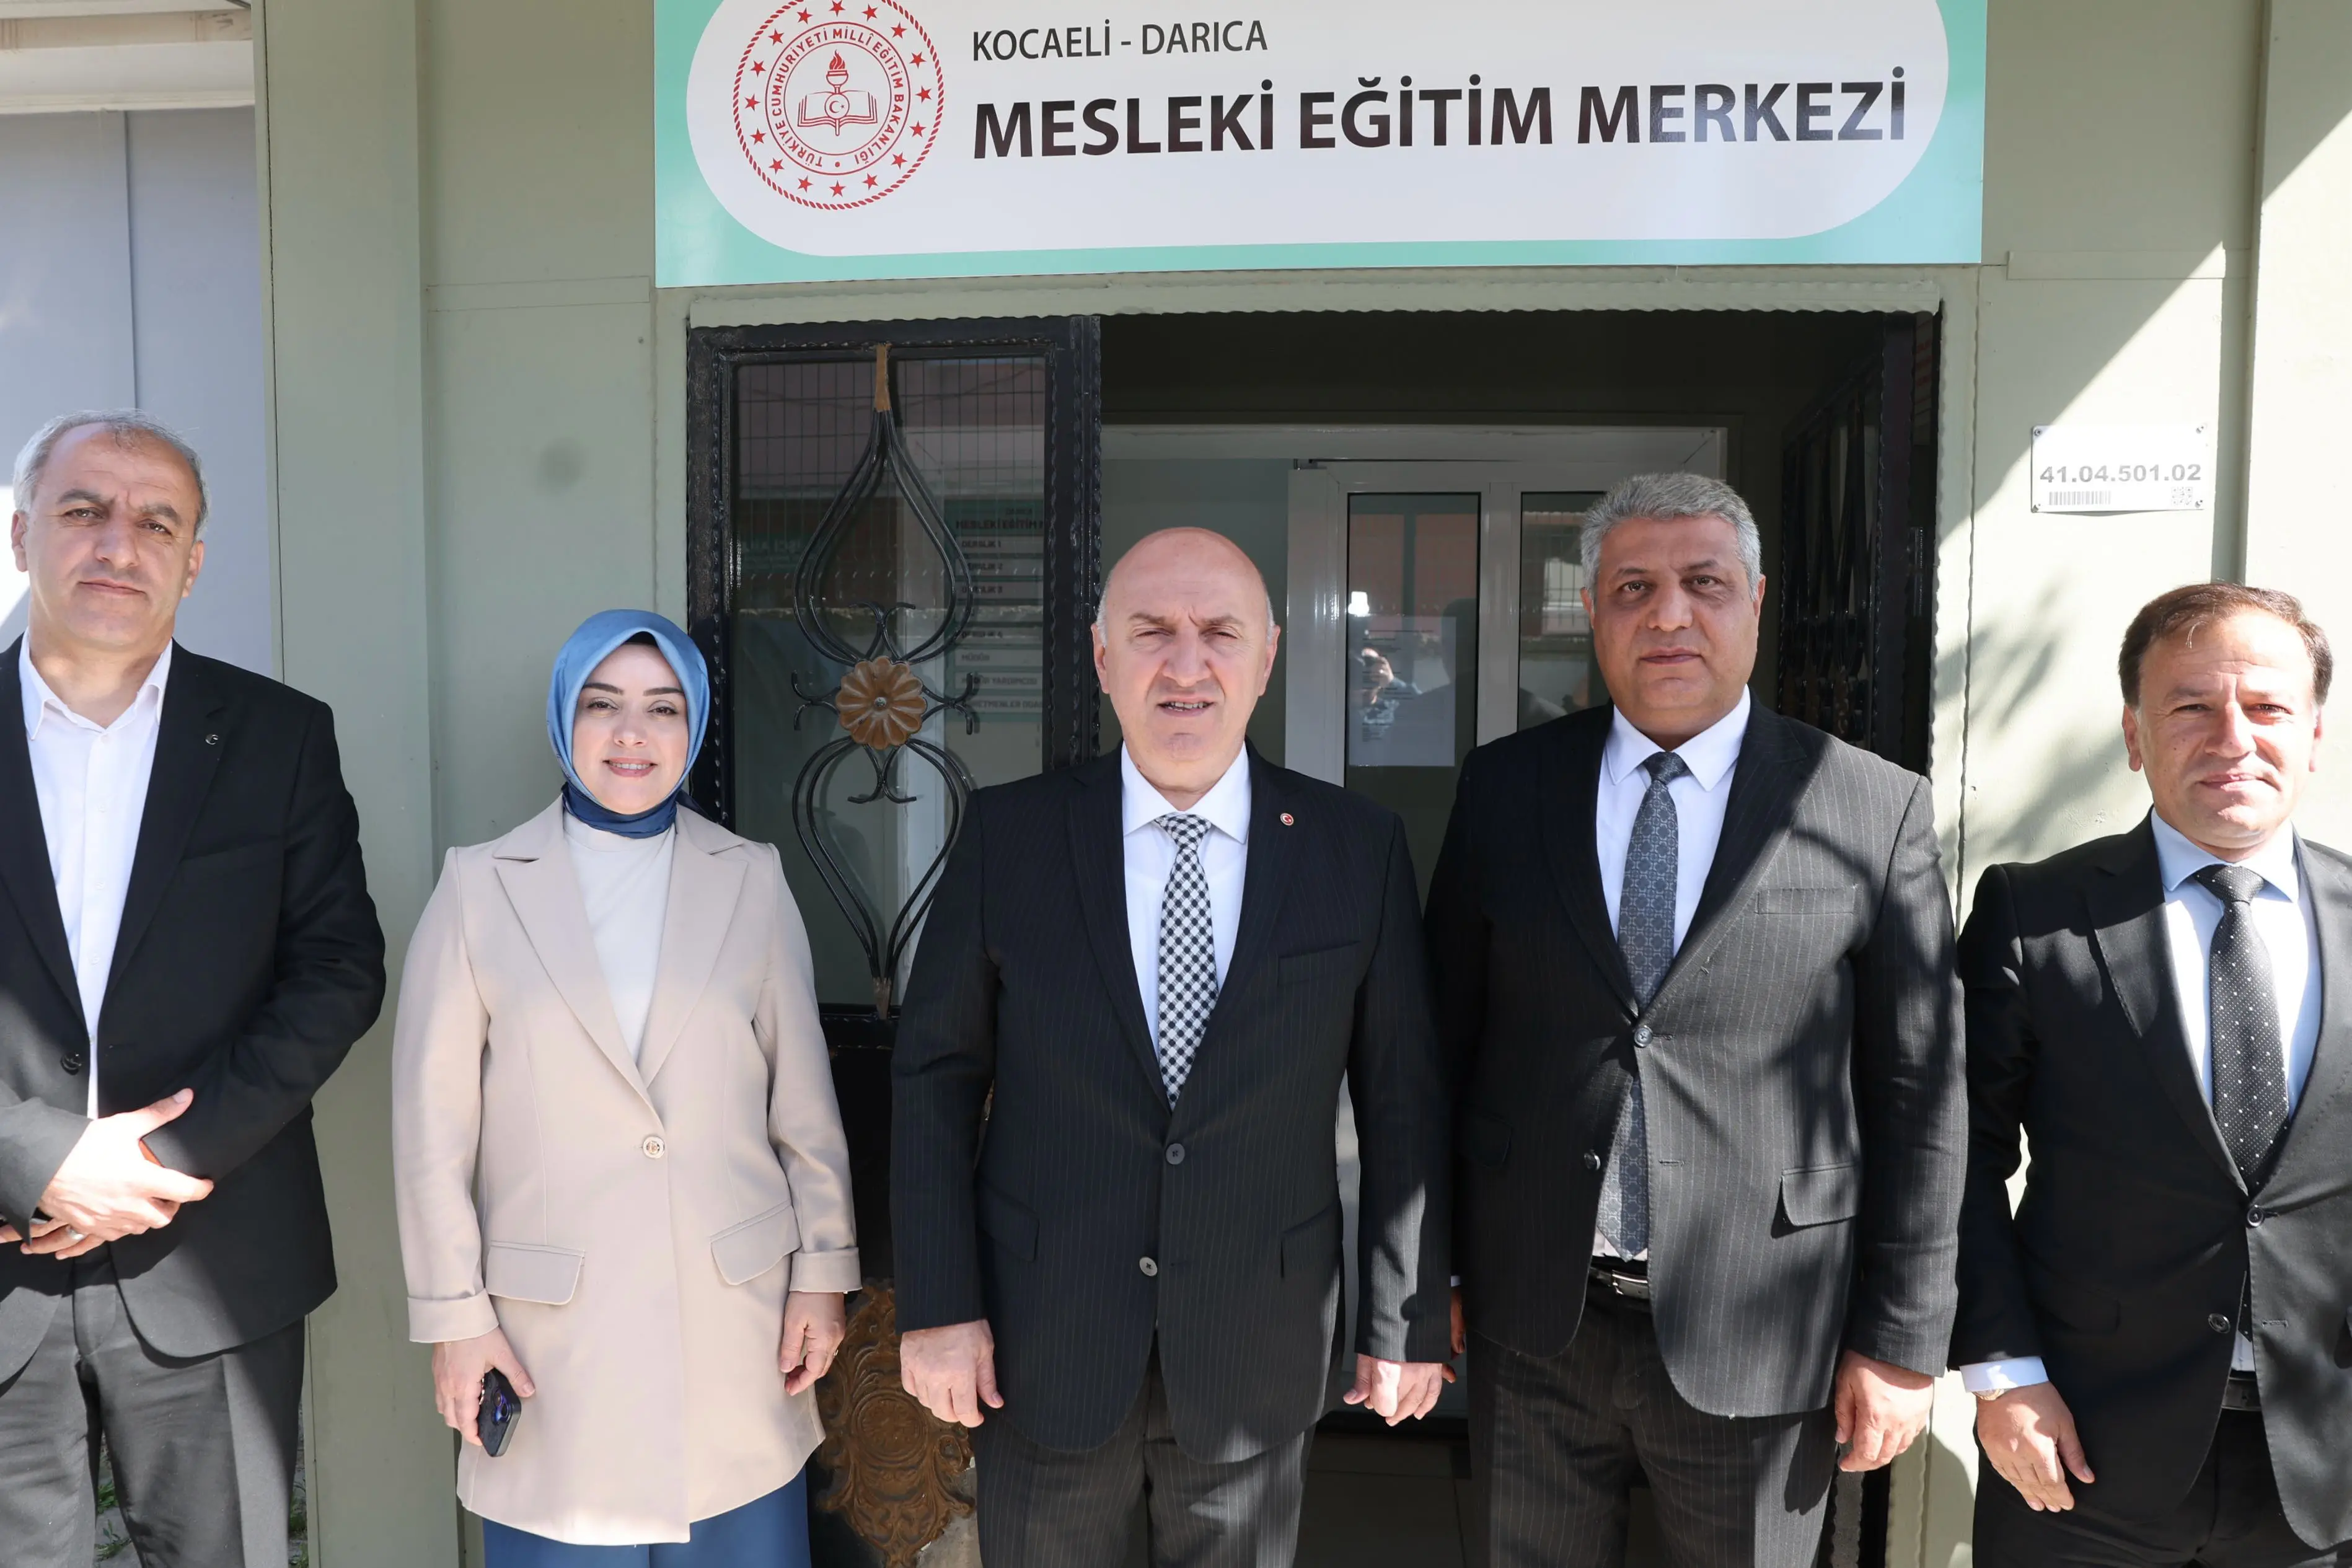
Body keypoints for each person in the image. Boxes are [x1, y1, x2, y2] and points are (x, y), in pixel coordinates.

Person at [1426, 472, 1966, 1567]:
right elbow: (1440, 1045)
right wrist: (1428, 1268)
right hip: (1536, 1317)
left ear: (1755, 602)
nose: (1668, 614)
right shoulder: (1503, 788)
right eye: (1633, 586)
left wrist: (1901, 1339)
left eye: (1703, 583)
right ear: (1592, 611)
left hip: (1763, 1324)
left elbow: (1919, 1091)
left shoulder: (1871, 805)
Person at [892, 527, 1451, 1567]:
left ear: (1266, 657)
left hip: (1257, 1347)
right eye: (1151, 631)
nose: (1185, 664)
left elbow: (1401, 1101)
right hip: (1041, 1344)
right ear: (1103, 657)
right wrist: (937, 1306)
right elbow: (934, 1080)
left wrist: (1404, 1318)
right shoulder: (1008, 837)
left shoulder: (1355, 849)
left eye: (1219, 633)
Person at [392, 610, 859, 1566]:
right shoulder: (479, 886)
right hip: (549, 1345)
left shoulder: (752, 878)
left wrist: (822, 1271)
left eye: (663, 707)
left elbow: (803, 1106)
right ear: (564, 719)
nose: (632, 733)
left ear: (695, 726)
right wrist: (456, 1318)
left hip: (735, 1331)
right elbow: (430, 1134)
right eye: (602, 705)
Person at [0, 411, 386, 1566]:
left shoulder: (279, 737)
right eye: (83, 510)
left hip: (212, 1262)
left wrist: (164, 1158)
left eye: (156, 522)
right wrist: (36, 1158)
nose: (118, 543)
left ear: (194, 560)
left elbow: (336, 969)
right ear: (21, 534)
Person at [1953, 583, 2352, 1567]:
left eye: (2266, 707)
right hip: (2079, 1450)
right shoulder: (2032, 914)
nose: (2231, 737)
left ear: (2312, 735)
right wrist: (2001, 1374)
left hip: (2321, 1467)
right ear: (2133, 734)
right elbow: (1953, 1158)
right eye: (2190, 706)